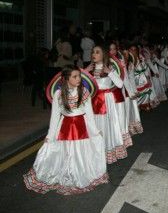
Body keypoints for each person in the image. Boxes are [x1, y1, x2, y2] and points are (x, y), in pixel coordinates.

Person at [23, 66, 108, 195]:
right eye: (75, 76)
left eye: (79, 76)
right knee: (65, 152)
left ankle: (79, 173)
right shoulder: (59, 94)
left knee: (80, 153)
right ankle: (66, 172)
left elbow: (89, 114)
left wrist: (95, 131)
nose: (78, 79)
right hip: (65, 128)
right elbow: (55, 116)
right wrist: (50, 136)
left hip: (81, 128)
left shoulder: (84, 91)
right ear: (66, 79)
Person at [86, 46, 128, 164]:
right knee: (94, 126)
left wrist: (110, 72)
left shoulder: (109, 68)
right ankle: (96, 153)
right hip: (93, 101)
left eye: (97, 52)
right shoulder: (90, 68)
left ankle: (106, 152)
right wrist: (84, 71)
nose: (94, 54)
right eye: (93, 52)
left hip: (105, 100)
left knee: (105, 126)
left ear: (103, 55)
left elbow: (119, 85)